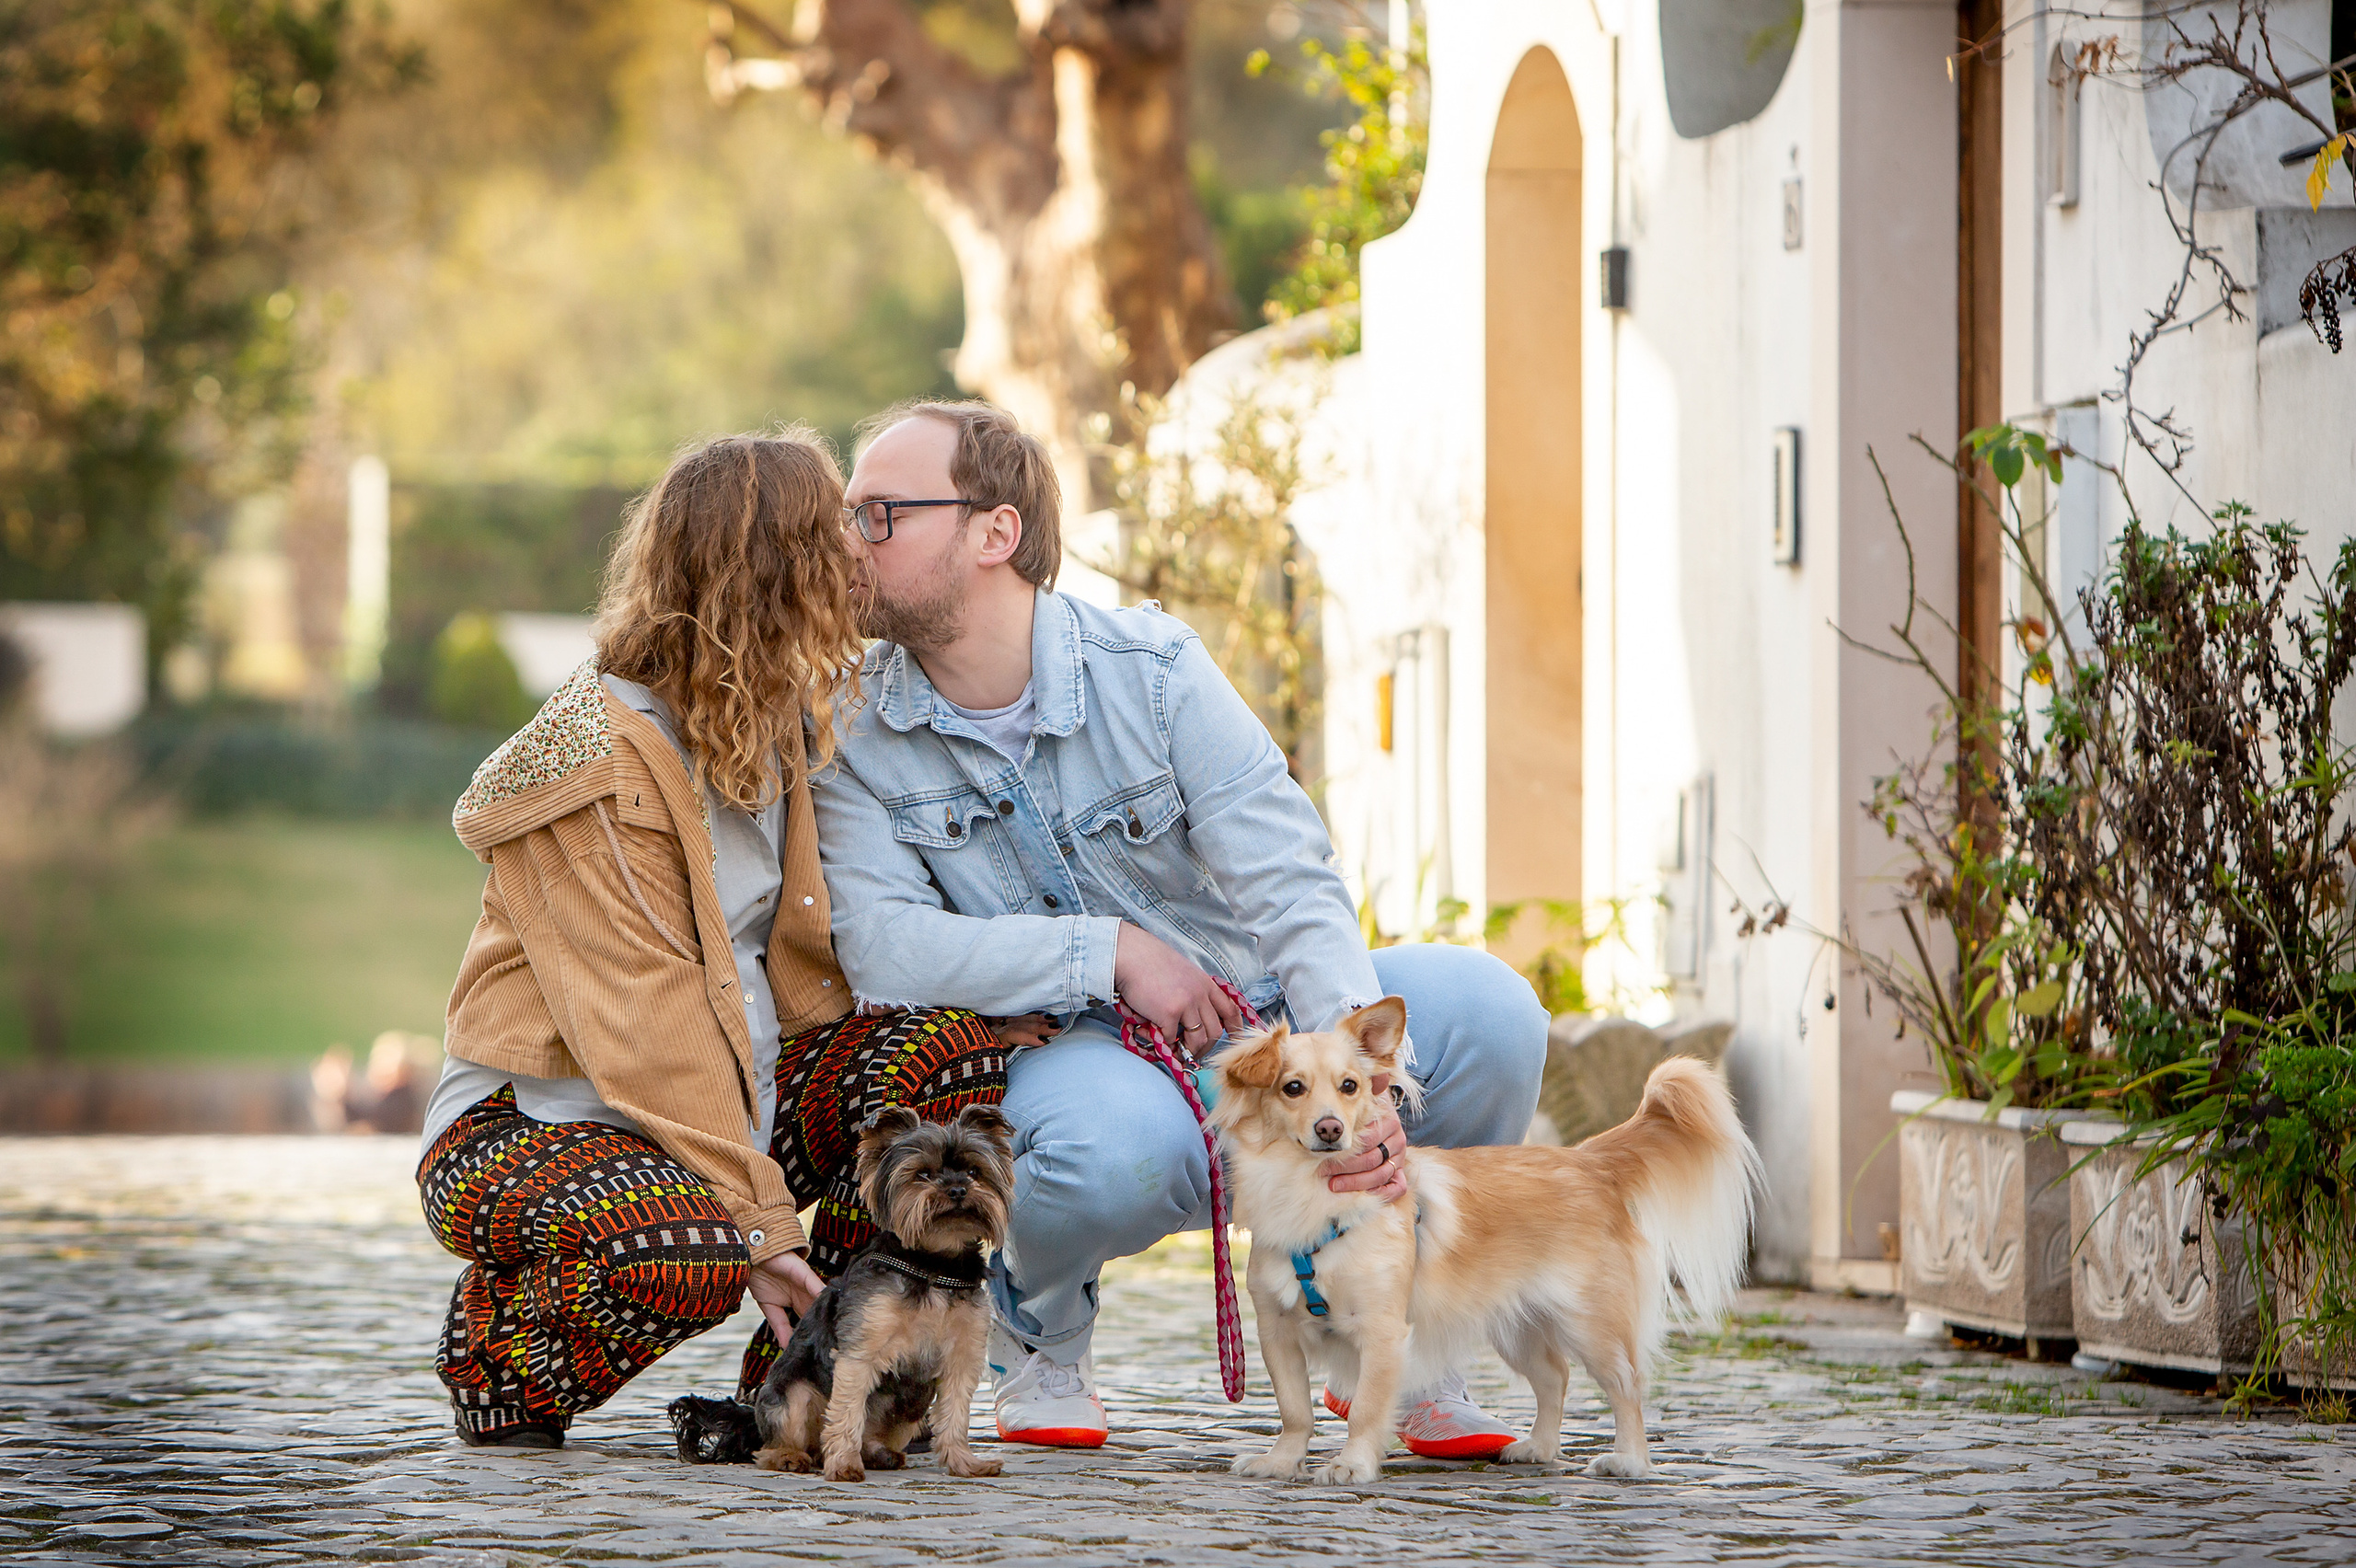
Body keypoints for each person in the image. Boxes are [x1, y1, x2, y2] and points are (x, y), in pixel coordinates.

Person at [813, 400, 1551, 1456]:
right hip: (1074, 1044)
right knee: (1108, 1154)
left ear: (994, 532)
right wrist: (1107, 954)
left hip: (1263, 1009)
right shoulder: (852, 729)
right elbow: (882, 946)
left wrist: (1365, 1081)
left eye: (880, 514)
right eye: (850, 514)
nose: (850, 541)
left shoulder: (1152, 668)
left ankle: (1401, 1339)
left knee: (1492, 1012)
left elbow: (1290, 877)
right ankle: (1039, 1330)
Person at [415, 429, 1017, 1448]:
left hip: (731, 1100)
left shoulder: (776, 719)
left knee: (941, 1056)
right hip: (536, 1123)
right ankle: (501, 1366)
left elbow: (827, 953)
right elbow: (648, 1028)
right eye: (834, 533)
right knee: (689, 1252)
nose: (858, 550)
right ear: (772, 573)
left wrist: (1020, 993)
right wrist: (760, 1224)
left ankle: (799, 1393)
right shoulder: (594, 764)